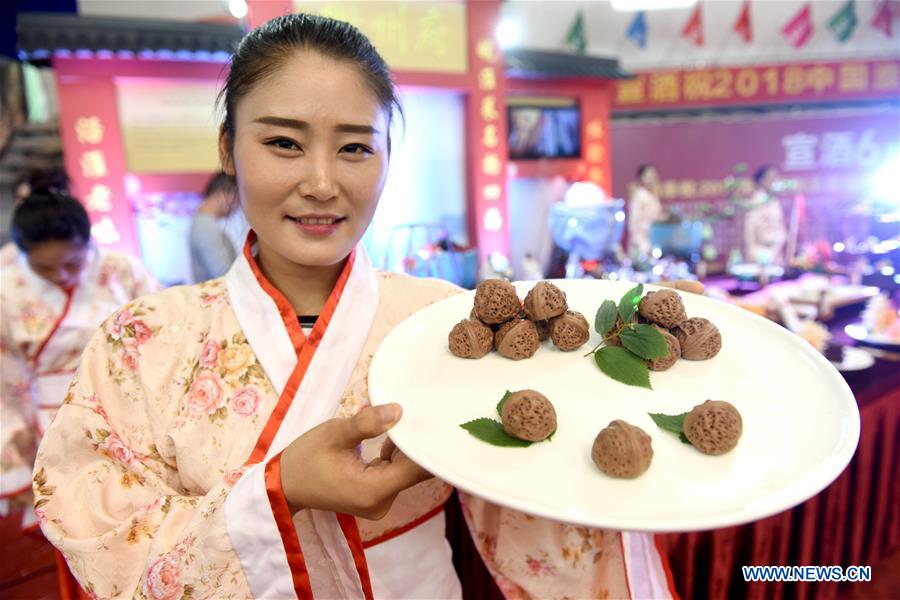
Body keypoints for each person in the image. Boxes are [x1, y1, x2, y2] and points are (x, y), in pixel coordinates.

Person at [33, 15, 688, 599]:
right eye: (284, 143)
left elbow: (545, 479)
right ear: (227, 148)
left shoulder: (446, 321)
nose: (322, 184)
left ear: (386, 157)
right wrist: (281, 489)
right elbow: (98, 530)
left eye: (354, 147)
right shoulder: (140, 341)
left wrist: (645, 358)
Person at [1, 193, 157, 531]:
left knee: (144, 517)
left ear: (88, 243)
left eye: (72, 263)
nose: (61, 275)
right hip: (52, 421)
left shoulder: (122, 270)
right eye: (44, 269)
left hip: (130, 410)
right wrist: (14, 451)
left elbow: (162, 337)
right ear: (23, 255)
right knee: (74, 522)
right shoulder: (6, 289)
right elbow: (4, 379)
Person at [1, 169, 70, 268]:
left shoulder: (83, 252)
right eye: (21, 199)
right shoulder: (8, 258)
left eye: (33, 200)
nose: (25, 208)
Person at [189, 171, 240, 282]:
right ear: (222, 194)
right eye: (236, 200)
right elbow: (223, 275)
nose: (236, 207)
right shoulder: (205, 227)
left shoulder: (203, 223)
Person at [744, 165, 787, 265]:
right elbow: (750, 229)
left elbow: (780, 225)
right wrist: (752, 251)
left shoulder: (774, 200)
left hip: (777, 251)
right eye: (771, 177)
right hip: (761, 252)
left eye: (776, 177)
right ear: (761, 181)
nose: (774, 180)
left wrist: (781, 242)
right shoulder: (757, 201)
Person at [628, 164, 665, 259]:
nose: (653, 178)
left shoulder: (653, 196)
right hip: (642, 242)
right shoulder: (639, 195)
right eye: (649, 175)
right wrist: (639, 242)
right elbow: (634, 222)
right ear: (641, 178)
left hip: (654, 239)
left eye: (654, 175)